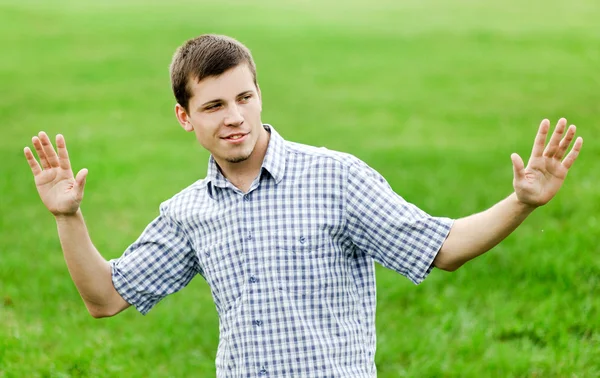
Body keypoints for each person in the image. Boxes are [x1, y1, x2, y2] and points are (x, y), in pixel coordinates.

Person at [24, 34, 583, 377]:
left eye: (244, 97)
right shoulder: (189, 212)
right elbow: (104, 297)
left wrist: (521, 202)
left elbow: (445, 248)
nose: (235, 117)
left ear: (259, 93)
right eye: (214, 105)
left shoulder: (335, 178)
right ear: (184, 117)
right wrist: (67, 217)